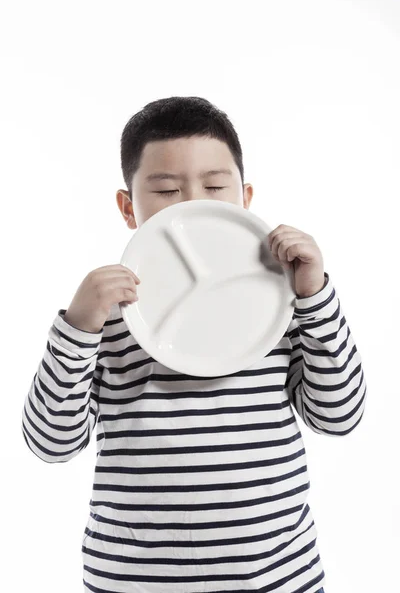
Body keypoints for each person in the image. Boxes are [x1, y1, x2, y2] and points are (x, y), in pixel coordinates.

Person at [21, 96, 367, 593]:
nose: (193, 203)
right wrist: (77, 329)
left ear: (244, 197)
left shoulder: (280, 303)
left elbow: (339, 416)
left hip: (277, 579)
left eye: (214, 185)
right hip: (133, 582)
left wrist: (314, 296)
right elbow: (50, 444)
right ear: (128, 207)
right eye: (165, 189)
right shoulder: (109, 317)